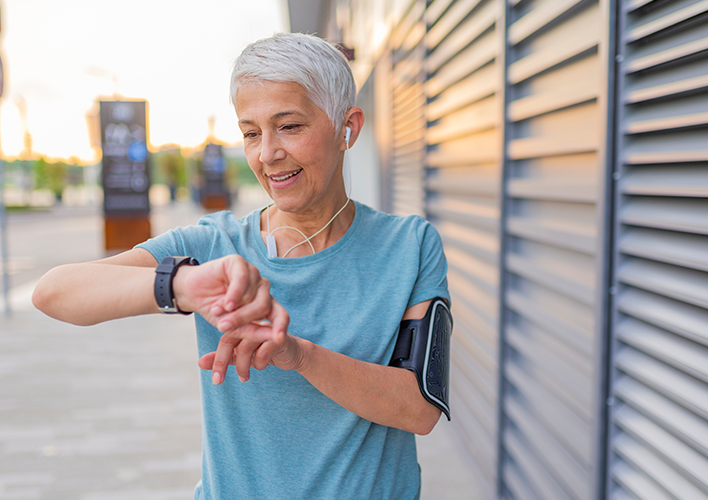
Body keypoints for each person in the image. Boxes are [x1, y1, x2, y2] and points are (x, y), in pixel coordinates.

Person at [33, 32, 450, 500]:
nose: (266, 153)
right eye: (251, 132)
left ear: (347, 128)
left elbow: (419, 408)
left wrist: (299, 354)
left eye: (288, 126)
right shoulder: (214, 244)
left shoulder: (409, 245)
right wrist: (185, 285)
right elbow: (53, 292)